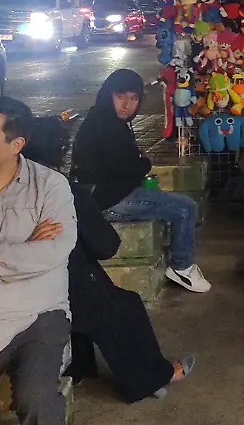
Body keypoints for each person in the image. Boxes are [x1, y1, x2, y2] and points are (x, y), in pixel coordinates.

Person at [23, 116, 193, 403]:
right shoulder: (64, 189)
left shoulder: (14, 187)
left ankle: (81, 366)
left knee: (92, 283)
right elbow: (105, 246)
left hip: (32, 280)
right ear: (60, 151)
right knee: (122, 306)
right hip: (52, 286)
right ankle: (150, 377)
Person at [0, 97, 76, 424]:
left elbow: (53, 251)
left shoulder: (51, 187)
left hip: (35, 317)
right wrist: (23, 251)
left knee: (35, 397)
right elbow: (35, 256)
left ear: (15, 144)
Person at [72, 69, 211, 293]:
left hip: (101, 196)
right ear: (108, 94)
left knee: (167, 199)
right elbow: (124, 169)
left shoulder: (101, 119)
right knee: (185, 207)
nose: (127, 104)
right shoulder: (107, 126)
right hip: (110, 200)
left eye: (134, 98)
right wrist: (145, 162)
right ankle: (181, 267)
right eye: (121, 96)